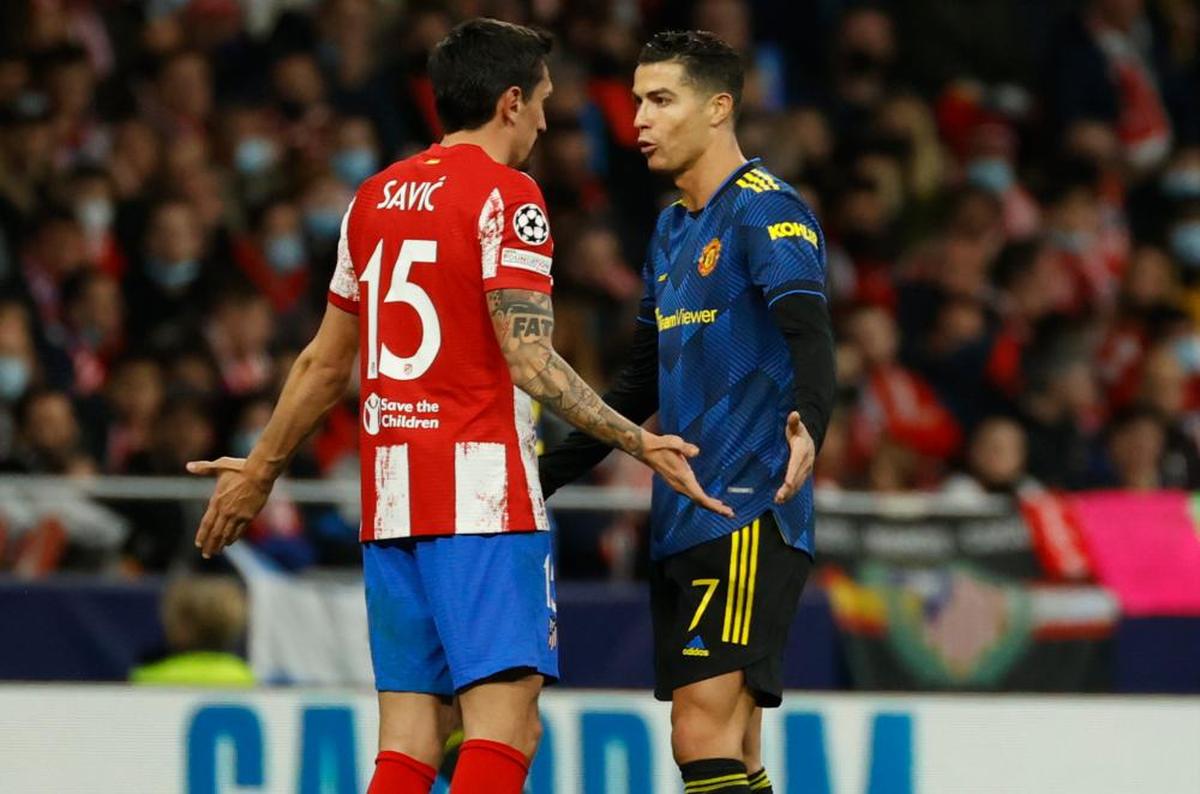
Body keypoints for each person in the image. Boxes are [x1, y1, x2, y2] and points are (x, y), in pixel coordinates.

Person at [187, 18, 727, 794]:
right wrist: (636, 442)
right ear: (510, 102)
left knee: (411, 738)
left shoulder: (373, 199)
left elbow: (322, 360)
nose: (546, 119)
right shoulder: (511, 198)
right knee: (506, 724)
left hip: (392, 496)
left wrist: (262, 470)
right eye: (541, 101)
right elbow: (530, 357)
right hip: (482, 497)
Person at [539, 30, 835, 794]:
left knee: (700, 727)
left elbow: (811, 333)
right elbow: (641, 381)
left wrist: (811, 424)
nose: (638, 118)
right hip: (683, 513)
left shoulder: (768, 212)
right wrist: (544, 473)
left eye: (661, 99)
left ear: (718, 109)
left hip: (745, 504)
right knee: (732, 742)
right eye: (637, 99)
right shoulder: (672, 230)